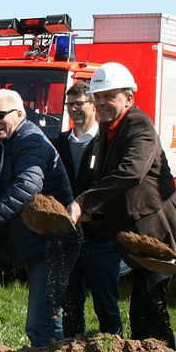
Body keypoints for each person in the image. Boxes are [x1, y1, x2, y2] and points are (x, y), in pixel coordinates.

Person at [67, 62, 176, 349]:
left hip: (158, 231)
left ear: (129, 98)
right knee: (145, 306)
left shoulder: (138, 124)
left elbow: (130, 172)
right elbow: (107, 179)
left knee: (149, 307)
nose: (101, 103)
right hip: (135, 233)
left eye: (109, 96)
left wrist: (83, 204)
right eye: (98, 97)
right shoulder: (108, 129)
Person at [0, 88, 80, 347]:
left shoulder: (30, 142)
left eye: (0, 115)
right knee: (46, 320)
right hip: (39, 243)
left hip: (54, 243)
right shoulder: (8, 145)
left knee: (42, 323)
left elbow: (26, 187)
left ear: (20, 113)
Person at [54, 81, 124, 337]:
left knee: (105, 301)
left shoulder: (106, 141)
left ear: (93, 105)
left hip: (100, 236)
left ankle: (113, 351)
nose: (74, 109)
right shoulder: (59, 143)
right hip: (68, 235)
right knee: (70, 302)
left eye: (79, 103)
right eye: (69, 104)